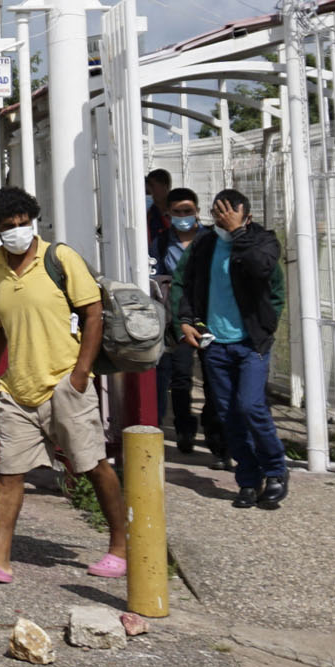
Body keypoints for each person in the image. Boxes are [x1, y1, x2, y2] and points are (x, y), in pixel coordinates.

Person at [0, 185, 129, 586]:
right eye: (8, 226)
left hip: (64, 384)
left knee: (92, 466)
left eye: (24, 224)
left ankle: (121, 546)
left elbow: (93, 314)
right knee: (9, 473)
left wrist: (79, 374)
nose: (18, 231)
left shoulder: (61, 258)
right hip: (19, 389)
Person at [178, 189, 289, 509]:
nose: (222, 223)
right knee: (228, 415)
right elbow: (187, 282)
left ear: (247, 217)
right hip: (215, 344)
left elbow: (259, 269)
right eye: (218, 217)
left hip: (251, 342)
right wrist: (186, 320)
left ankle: (276, 471)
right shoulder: (205, 244)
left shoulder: (263, 241)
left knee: (251, 406)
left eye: (229, 217)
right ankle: (249, 480)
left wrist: (239, 233)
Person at [151, 187, 220, 462]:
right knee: (179, 375)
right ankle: (184, 429)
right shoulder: (161, 242)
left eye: (188, 211)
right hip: (176, 314)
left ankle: (215, 433)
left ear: (197, 212)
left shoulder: (211, 240)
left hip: (210, 313)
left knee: (213, 376)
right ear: (168, 213)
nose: (183, 217)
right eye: (177, 212)